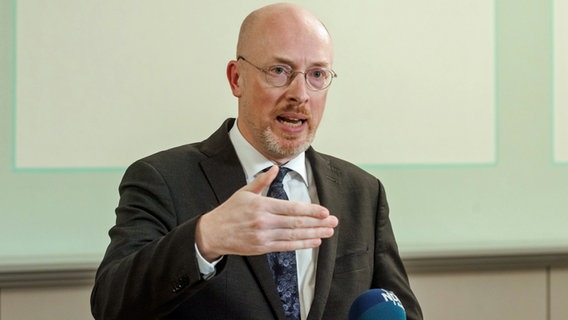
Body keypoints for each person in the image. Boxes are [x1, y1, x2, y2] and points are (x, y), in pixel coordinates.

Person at [91, 3, 422, 320]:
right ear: (237, 79)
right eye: (280, 70)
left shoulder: (362, 191)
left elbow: (401, 312)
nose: (300, 94)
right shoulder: (162, 179)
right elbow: (111, 305)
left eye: (317, 74)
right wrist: (205, 238)